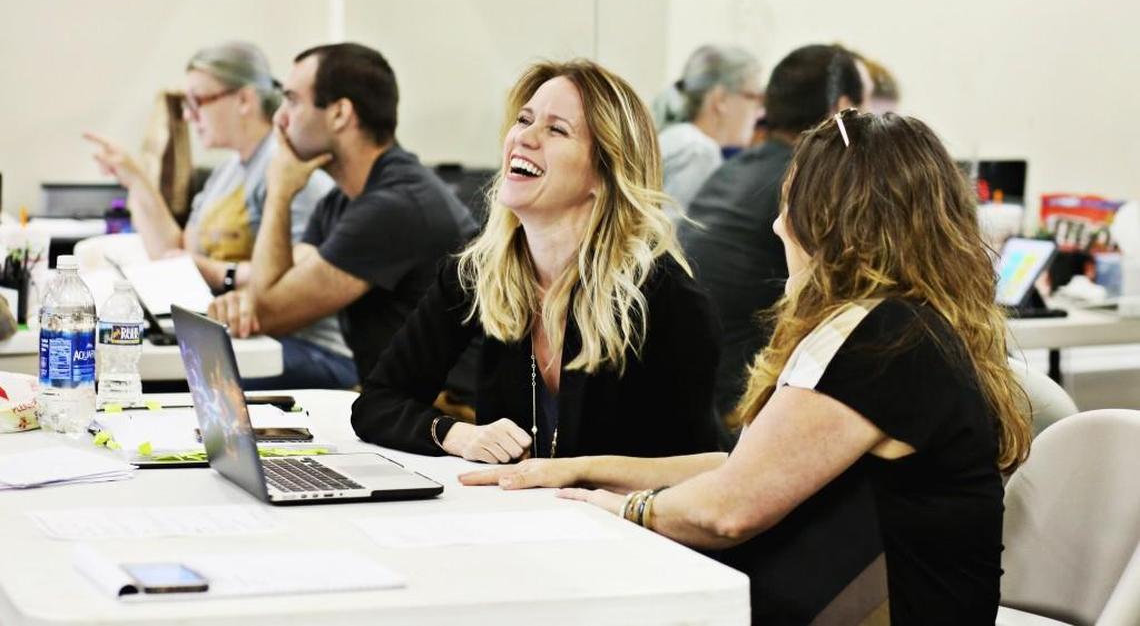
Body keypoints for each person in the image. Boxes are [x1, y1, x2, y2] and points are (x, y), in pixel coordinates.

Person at [463, 111, 1033, 625]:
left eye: (789, 207)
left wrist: (616, 508)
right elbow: (747, 467)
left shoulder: (885, 338)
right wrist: (579, 470)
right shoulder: (901, 326)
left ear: (829, 220)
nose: (778, 226)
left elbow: (729, 509)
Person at [350, 59, 720, 462]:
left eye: (556, 129)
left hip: (614, 521)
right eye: (524, 120)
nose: (525, 138)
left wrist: (563, 478)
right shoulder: (480, 269)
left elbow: (696, 471)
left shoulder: (664, 297)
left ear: (604, 173)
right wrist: (456, 434)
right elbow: (377, 402)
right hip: (514, 517)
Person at [209, 43, 478, 390]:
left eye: (292, 101)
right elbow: (278, 286)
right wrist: (242, 302)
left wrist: (279, 191)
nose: (279, 119)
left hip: (451, 415)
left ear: (339, 114)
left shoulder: (395, 206)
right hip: (401, 404)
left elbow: (269, 313)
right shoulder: (345, 199)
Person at [85, 41, 353, 387]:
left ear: (243, 100)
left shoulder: (287, 169)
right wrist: (136, 181)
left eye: (197, 101)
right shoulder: (227, 171)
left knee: (144, 380)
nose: (187, 115)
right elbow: (177, 251)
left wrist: (217, 274)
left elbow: (299, 278)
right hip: (248, 335)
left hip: (304, 346)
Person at [679, 44, 863, 444]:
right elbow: (856, 302)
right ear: (843, 108)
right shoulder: (805, 184)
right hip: (737, 408)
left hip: (690, 390)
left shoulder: (732, 171)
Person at [652, 45, 763, 217]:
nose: (759, 111)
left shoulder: (682, 138)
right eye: (753, 97)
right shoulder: (698, 151)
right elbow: (674, 236)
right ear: (721, 99)